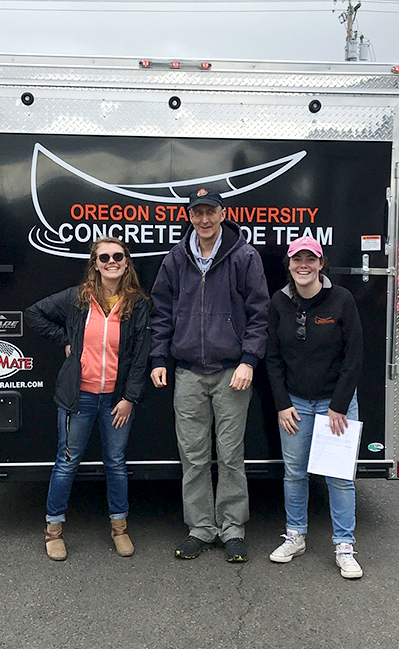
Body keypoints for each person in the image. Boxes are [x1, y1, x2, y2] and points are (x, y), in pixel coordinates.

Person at [150, 188, 269, 563]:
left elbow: (259, 313)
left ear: (222, 213)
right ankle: (200, 528)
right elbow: (162, 313)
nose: (203, 219)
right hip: (187, 373)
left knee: (231, 454)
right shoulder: (176, 258)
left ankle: (232, 529)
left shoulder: (244, 256)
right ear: (189, 216)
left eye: (210, 212)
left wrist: (249, 359)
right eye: (197, 212)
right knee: (194, 456)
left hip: (232, 371)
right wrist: (158, 358)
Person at [26, 237, 150, 561]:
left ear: (126, 262)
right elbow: (34, 314)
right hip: (78, 397)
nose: (111, 262)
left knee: (116, 464)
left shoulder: (136, 304)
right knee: (66, 463)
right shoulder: (76, 299)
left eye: (118, 256)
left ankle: (120, 528)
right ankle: (53, 531)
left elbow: (140, 358)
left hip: (116, 401)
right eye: (104, 257)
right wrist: (66, 340)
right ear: (95, 263)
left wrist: (129, 399)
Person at [264, 235, 364, 579]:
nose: (303, 265)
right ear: (289, 265)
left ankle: (344, 545)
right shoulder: (279, 302)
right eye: (297, 259)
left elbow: (354, 357)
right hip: (295, 404)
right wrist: (282, 404)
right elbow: (272, 357)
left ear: (322, 264)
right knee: (294, 473)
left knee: (339, 477)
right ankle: (295, 535)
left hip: (335, 404)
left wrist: (338, 405)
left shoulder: (341, 300)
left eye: (311, 259)